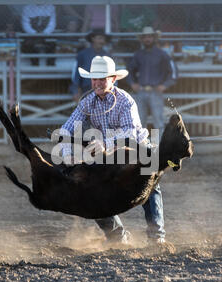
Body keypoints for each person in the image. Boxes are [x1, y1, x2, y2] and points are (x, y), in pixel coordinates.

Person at [60, 56, 166, 246]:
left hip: (137, 148)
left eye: (103, 78)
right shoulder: (87, 102)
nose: (98, 83)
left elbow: (130, 134)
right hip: (109, 155)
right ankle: (118, 236)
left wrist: (106, 144)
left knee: (151, 186)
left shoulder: (125, 101)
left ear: (113, 79)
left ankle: (156, 237)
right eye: (95, 79)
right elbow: (66, 129)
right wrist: (67, 152)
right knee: (91, 190)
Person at [128, 26, 178, 141]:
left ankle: (159, 149)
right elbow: (129, 70)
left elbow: (173, 72)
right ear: (142, 39)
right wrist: (132, 83)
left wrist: (165, 85)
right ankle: (141, 149)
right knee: (139, 122)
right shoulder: (138, 55)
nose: (147, 39)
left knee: (158, 122)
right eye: (145, 37)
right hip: (141, 91)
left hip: (156, 91)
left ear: (154, 38)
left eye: (150, 36)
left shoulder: (162, 54)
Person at [69, 29, 111, 102]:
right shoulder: (82, 55)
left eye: (103, 39)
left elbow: (111, 75)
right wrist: (75, 90)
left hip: (103, 91)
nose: (102, 41)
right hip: (86, 90)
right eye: (100, 38)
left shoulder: (107, 56)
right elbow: (76, 73)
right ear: (93, 39)